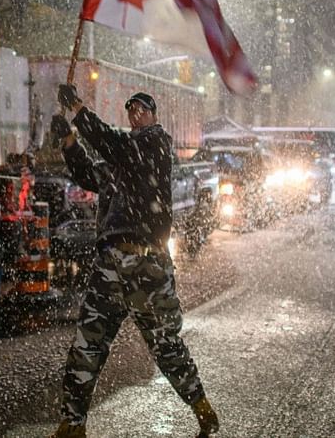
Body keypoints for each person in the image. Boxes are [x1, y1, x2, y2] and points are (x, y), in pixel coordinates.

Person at [47, 85, 219, 438]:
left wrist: (78, 109)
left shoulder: (155, 144)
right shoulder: (121, 162)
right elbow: (86, 173)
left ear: (153, 116)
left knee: (166, 345)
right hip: (111, 263)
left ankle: (202, 409)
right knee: (87, 343)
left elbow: (114, 144)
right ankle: (72, 424)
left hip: (148, 266)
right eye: (131, 109)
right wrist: (68, 142)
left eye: (142, 108)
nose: (135, 113)